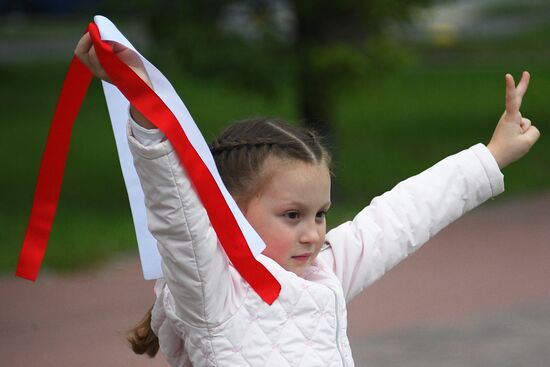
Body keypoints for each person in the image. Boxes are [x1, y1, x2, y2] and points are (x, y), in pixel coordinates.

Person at [75, 32, 540, 366]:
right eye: (292, 214)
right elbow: (174, 207)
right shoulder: (210, 288)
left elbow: (403, 216)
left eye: (320, 214)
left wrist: (492, 155)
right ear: (230, 211)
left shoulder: (323, 272)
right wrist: (139, 94)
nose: (314, 232)